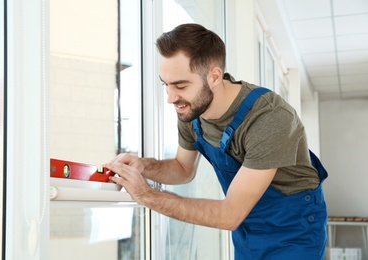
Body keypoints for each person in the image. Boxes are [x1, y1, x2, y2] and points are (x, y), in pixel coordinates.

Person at [105, 23, 328, 259]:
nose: (171, 98)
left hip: (293, 231)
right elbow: (183, 169)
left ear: (214, 76)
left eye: (181, 85)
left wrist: (147, 195)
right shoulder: (191, 110)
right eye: (165, 85)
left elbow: (230, 215)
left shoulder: (269, 118)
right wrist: (144, 167)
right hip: (247, 229)